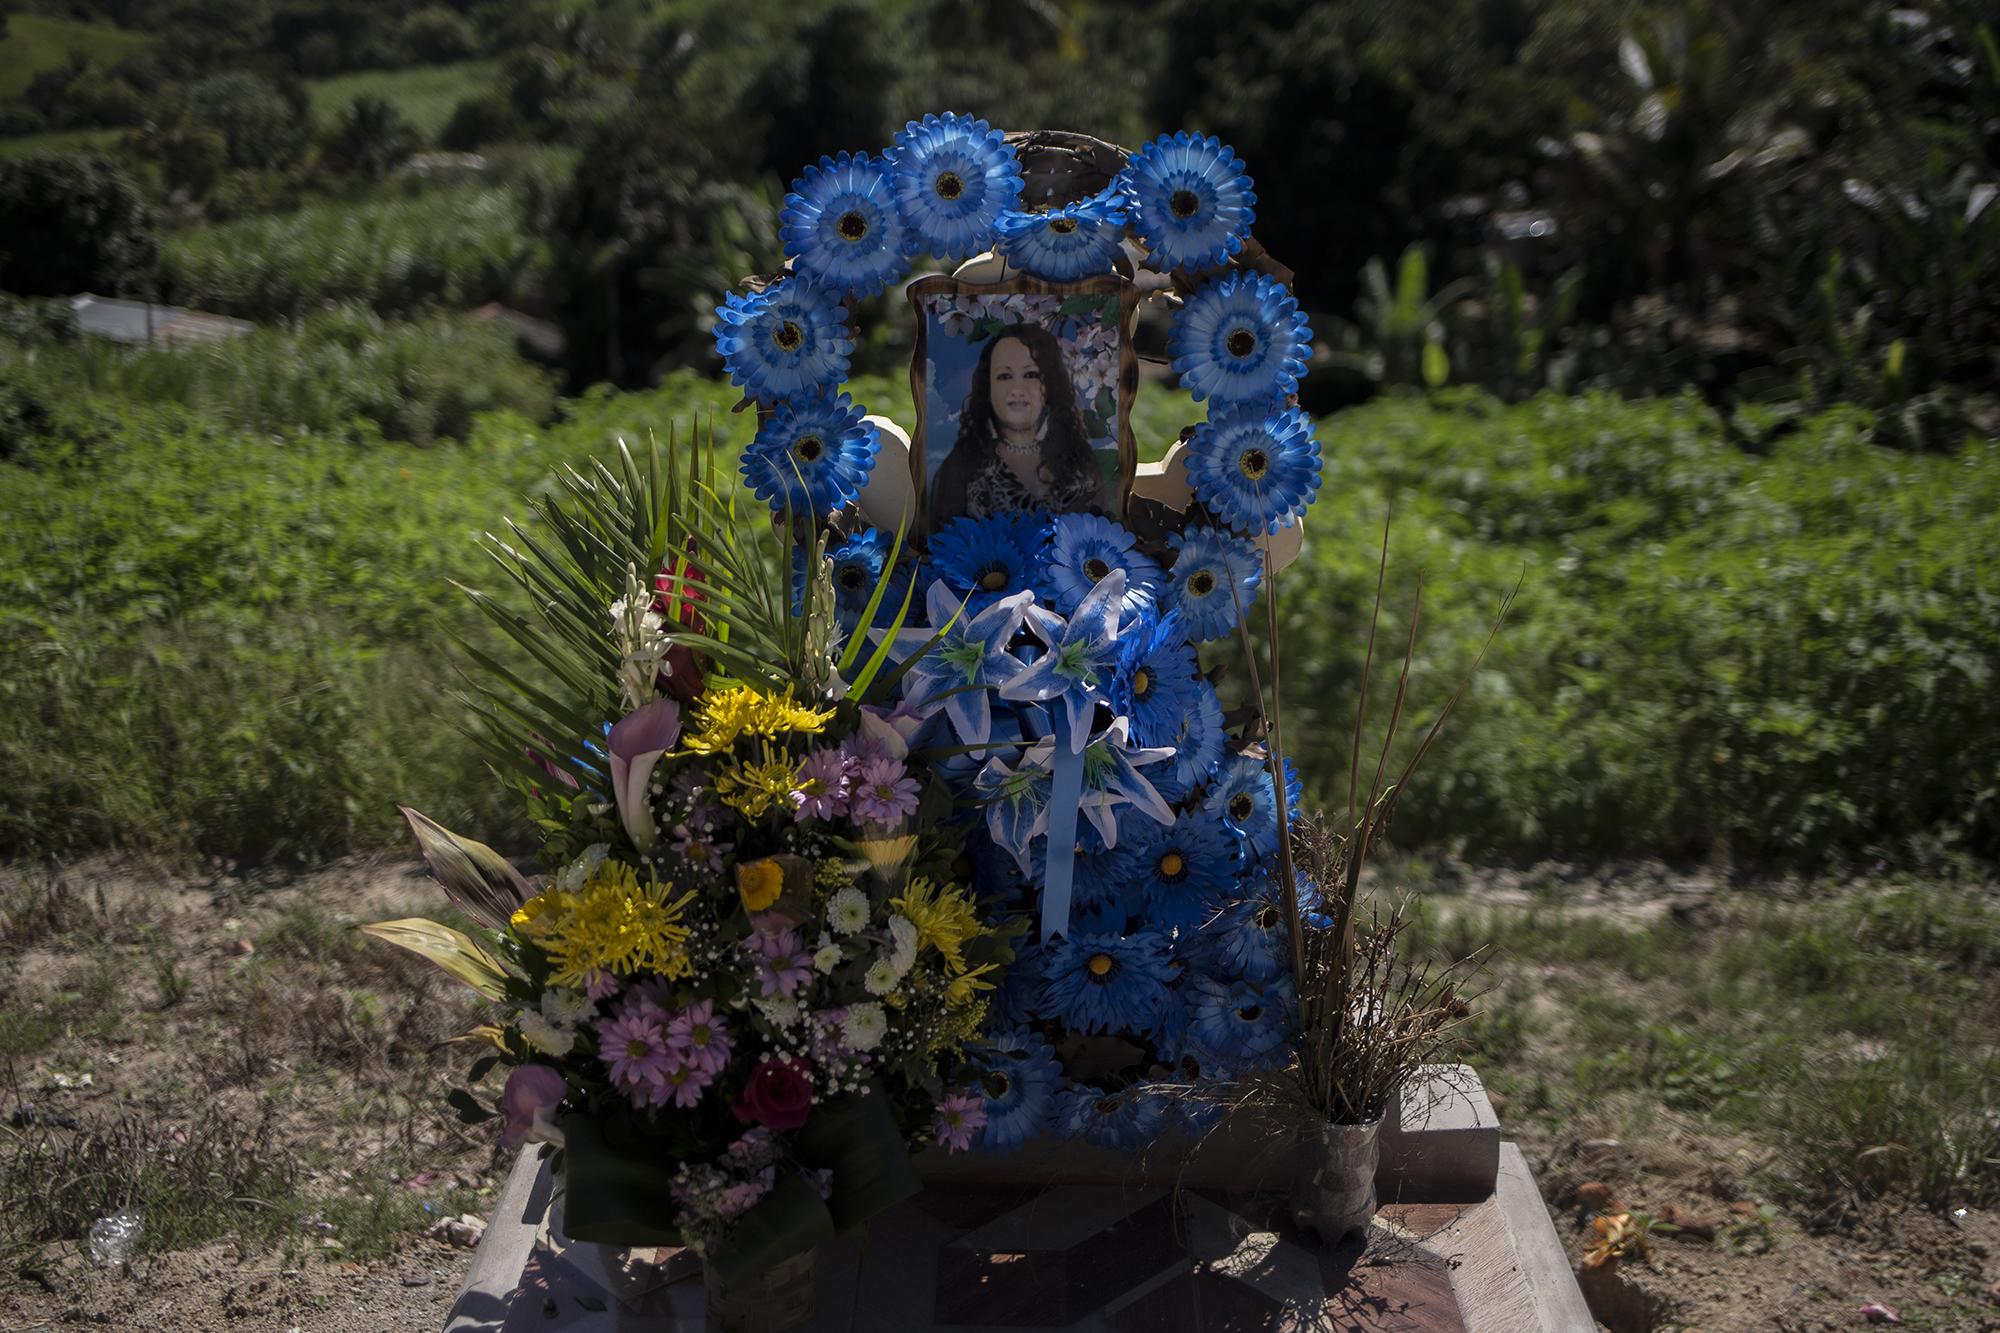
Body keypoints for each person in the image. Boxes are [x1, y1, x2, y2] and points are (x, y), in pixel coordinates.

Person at [928, 322, 1104, 525]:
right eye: (1004, 376)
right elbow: (941, 544)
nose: (1017, 388)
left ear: (1049, 384)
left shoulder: (1082, 461)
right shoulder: (961, 465)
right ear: (988, 388)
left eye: (1031, 374)